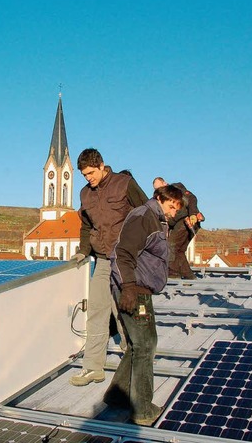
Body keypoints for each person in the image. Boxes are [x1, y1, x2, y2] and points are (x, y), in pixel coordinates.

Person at [103, 184, 184, 425]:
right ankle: (144, 410)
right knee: (146, 345)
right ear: (159, 199)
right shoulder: (143, 217)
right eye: (171, 206)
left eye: (176, 209)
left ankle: (117, 395)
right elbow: (124, 253)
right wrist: (128, 287)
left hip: (137, 288)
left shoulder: (156, 220)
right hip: (133, 290)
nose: (173, 212)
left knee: (138, 345)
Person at [69, 148, 148, 386]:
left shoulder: (124, 184)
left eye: (91, 173)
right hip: (102, 260)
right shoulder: (85, 194)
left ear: (102, 165)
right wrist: (83, 250)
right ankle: (93, 367)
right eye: (84, 175)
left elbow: (147, 213)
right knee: (96, 311)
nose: (88, 178)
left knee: (126, 309)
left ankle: (133, 357)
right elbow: (85, 226)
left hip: (126, 261)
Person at [152, 177, 204, 279]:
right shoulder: (158, 198)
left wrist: (193, 214)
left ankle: (173, 274)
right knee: (179, 250)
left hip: (186, 220)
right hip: (176, 224)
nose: (159, 191)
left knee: (171, 245)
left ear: (165, 183)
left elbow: (191, 199)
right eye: (156, 189)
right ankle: (189, 276)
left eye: (160, 187)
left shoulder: (176, 189)